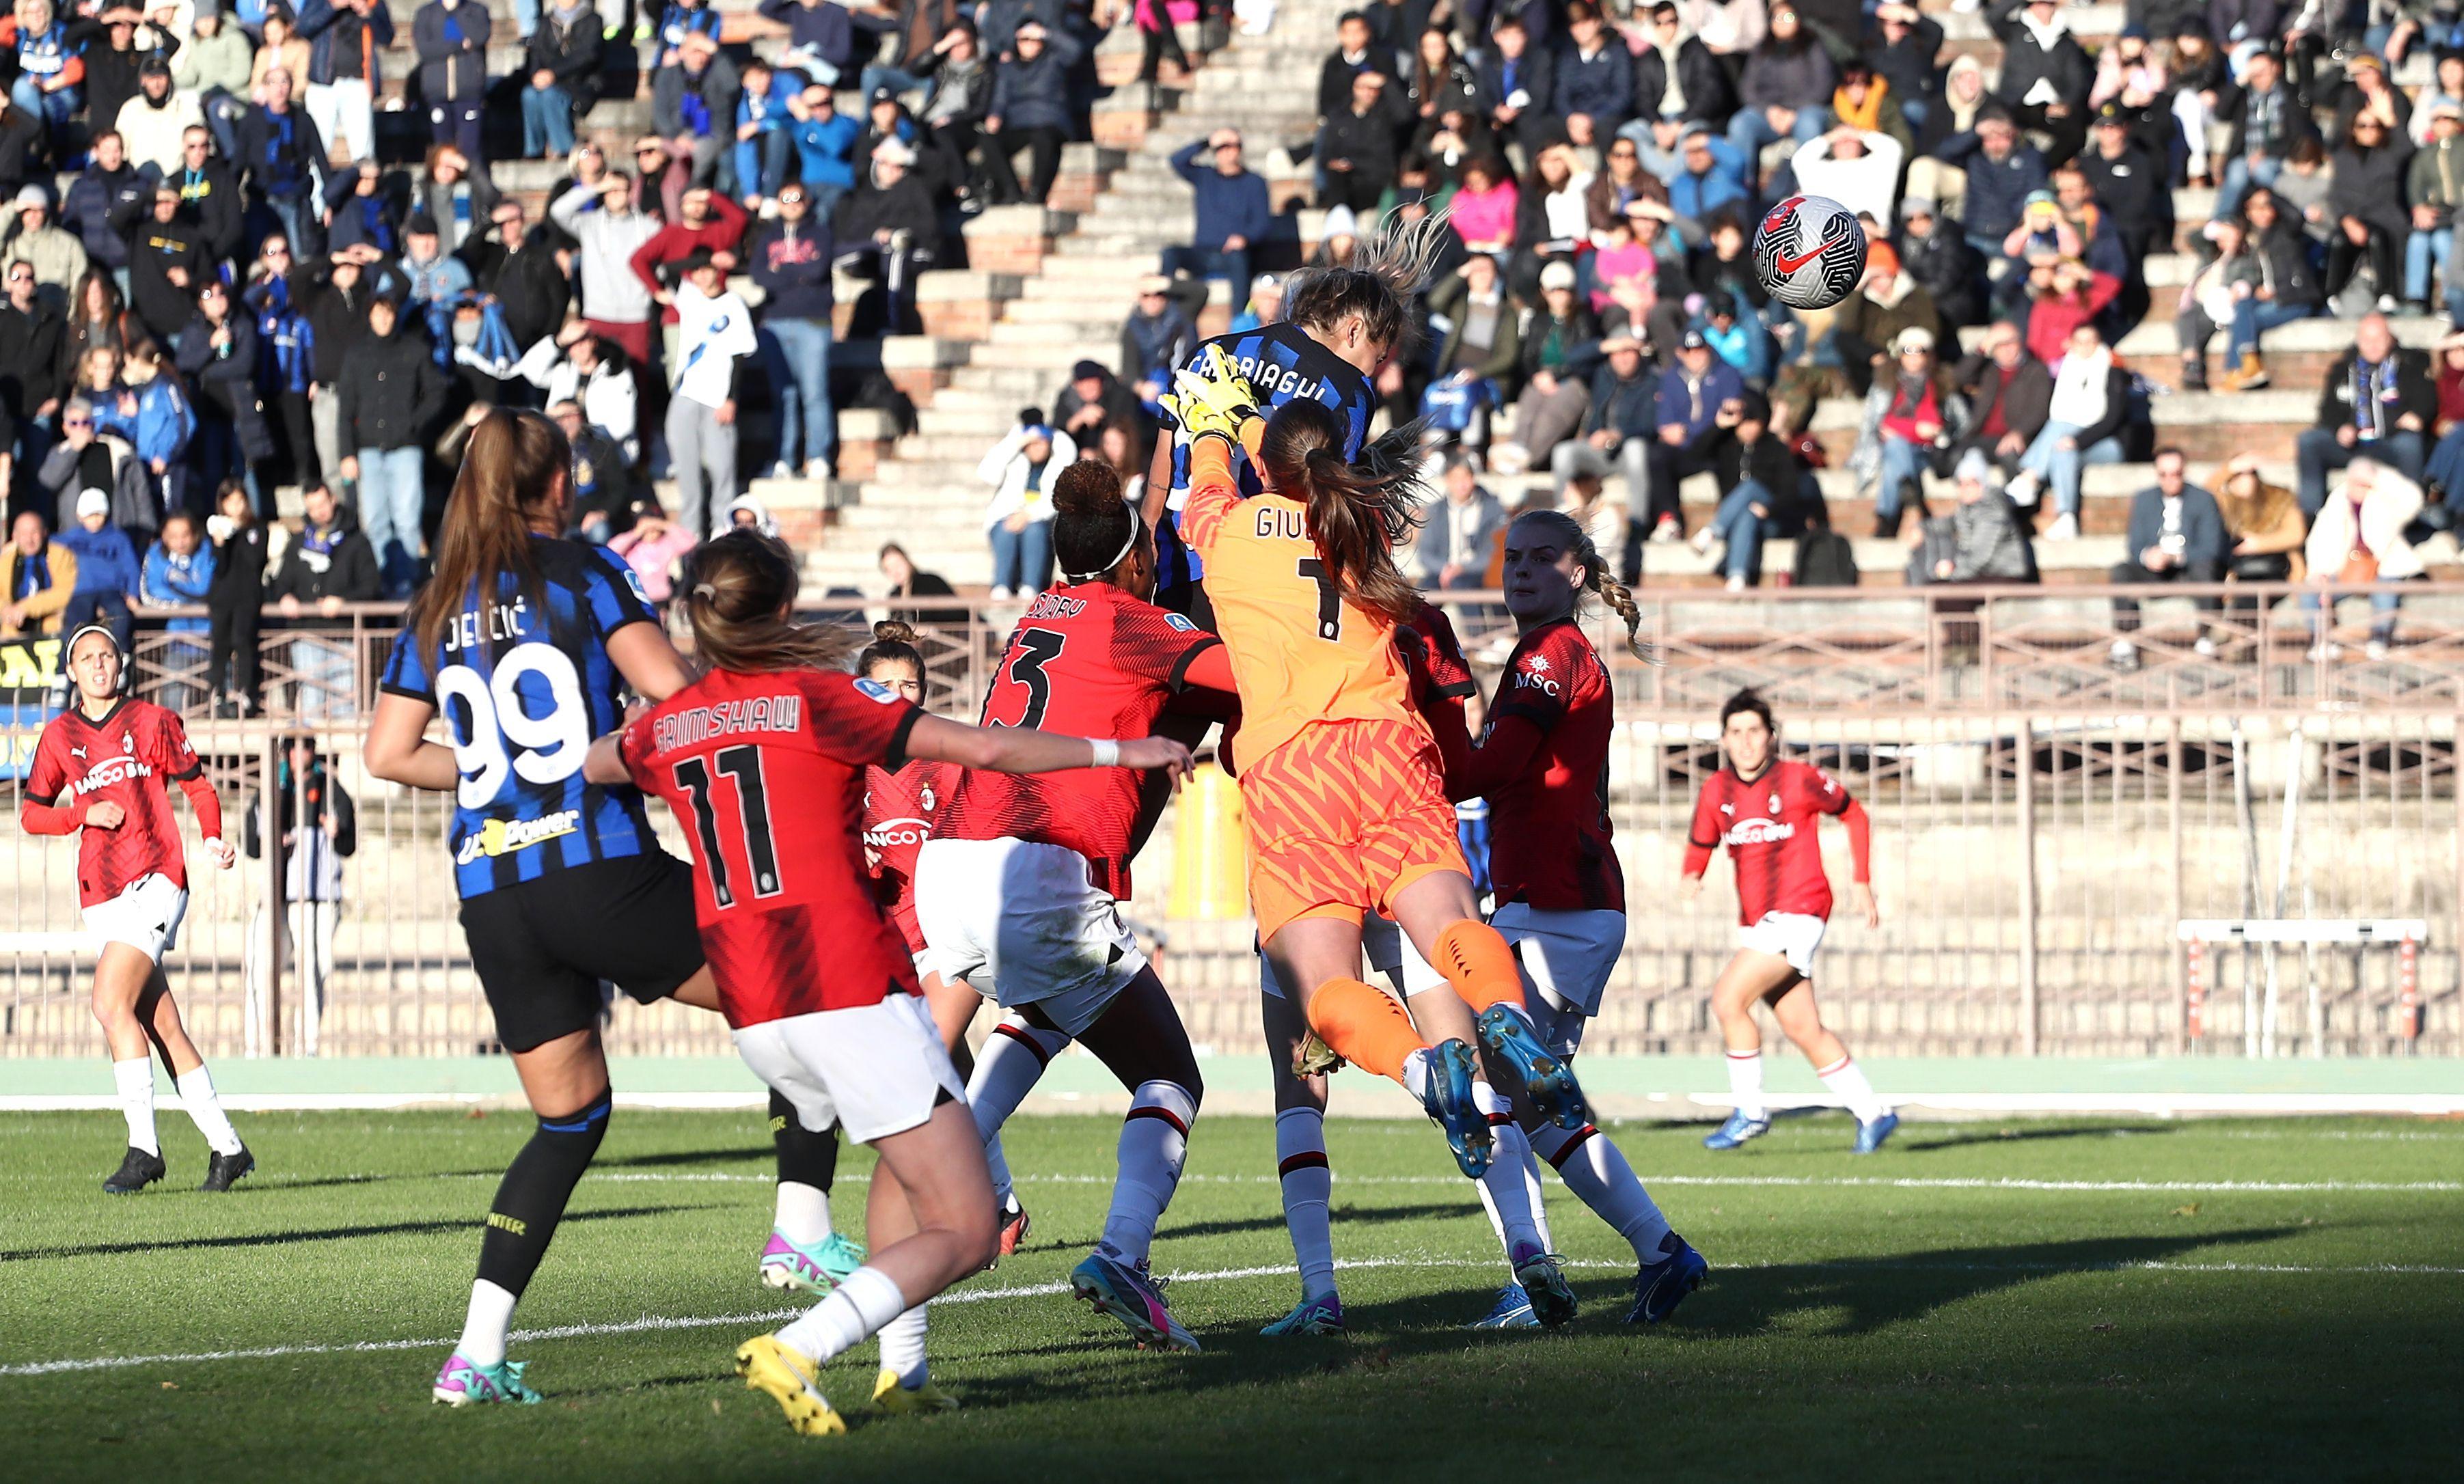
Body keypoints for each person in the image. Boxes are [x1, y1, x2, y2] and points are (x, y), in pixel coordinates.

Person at [584, 527, 1190, 1430]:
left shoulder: (664, 726)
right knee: (972, 1226)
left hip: (753, 1010)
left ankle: (901, 1371)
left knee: (910, 1167)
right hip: (845, 986)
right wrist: (1119, 755)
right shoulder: (818, 699)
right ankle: (800, 1345)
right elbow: (988, 749)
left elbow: (590, 769)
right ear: (785, 608)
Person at [366, 412, 859, 1408]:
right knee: (804, 998)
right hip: (598, 871)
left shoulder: (437, 600)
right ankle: (802, 1230)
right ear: (553, 486)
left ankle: (474, 1355)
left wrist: (497, 780)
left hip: (493, 896)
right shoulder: (582, 572)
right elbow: (676, 694)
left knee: (569, 1121)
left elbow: (385, 753)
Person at [1162, 346, 1596, 1325]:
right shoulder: (1363, 537)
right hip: (1389, 755)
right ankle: (1512, 1032)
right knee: (1447, 923)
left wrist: (1214, 423)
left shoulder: (1227, 531)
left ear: (1268, 467)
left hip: (1293, 772)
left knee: (1324, 1000)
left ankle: (1413, 1073)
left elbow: (1202, 486)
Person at [914, 462, 1235, 1347]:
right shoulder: (1142, 624)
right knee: (1170, 1075)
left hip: (950, 870)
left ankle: (969, 1149)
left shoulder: (1036, 613)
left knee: (1051, 1009)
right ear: (1136, 564)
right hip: (1036, 877)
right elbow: (1245, 674)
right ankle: (1123, 1255)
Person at [1425, 507, 1705, 1325]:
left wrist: (1422, 739)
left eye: (1542, 559)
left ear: (1577, 573)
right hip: (1558, 901)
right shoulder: (1547, 650)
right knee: (1532, 1107)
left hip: (1558, 905)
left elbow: (1493, 766)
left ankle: (1531, 1271)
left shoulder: (1552, 652)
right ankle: (1660, 1252)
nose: (1521, 571)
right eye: (1514, 558)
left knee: (1475, 1081)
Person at [21, 620, 249, 1192]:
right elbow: (31, 814)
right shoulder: (58, 736)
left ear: (120, 664)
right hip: (100, 894)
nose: (99, 665)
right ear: (72, 671)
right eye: (88, 658)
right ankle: (228, 1147)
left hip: (155, 878)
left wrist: (214, 835)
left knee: (107, 1002)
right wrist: (80, 814)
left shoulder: (153, 721)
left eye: (107, 655)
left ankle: (143, 1149)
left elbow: (198, 785)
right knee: (160, 1022)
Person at [1684, 689, 1893, 1153]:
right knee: (1803, 1027)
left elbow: (1854, 813)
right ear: (1723, 739)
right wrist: (1691, 875)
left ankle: (1751, 1111)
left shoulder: (1799, 780)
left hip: (1800, 910)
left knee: (1727, 1000)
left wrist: (1861, 881)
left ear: (1772, 737)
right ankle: (1873, 1112)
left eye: (1754, 731)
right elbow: (1702, 842)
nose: (1745, 742)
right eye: (1736, 732)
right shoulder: (1716, 790)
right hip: (1759, 921)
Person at [241, 734, 355, 1056]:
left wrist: (337, 831)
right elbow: (251, 845)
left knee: (312, 972)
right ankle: (258, 1048)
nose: (295, 753)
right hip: (274, 897)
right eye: (289, 746)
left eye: (303, 746)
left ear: (313, 751)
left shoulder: (331, 789)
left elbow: (348, 845)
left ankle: (307, 1049)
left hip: (317, 898)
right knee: (260, 969)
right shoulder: (271, 791)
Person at [334, 292, 447, 596]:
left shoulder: (414, 350)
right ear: (369, 316)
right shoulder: (356, 354)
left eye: (388, 313)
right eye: (378, 313)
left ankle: (408, 588)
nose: (383, 319)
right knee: (374, 523)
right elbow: (346, 409)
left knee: (408, 521)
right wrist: (346, 453)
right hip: (368, 451)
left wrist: (414, 422)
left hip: (405, 449)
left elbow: (437, 392)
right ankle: (380, 586)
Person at [2296, 312, 2434, 516]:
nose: (2373, 345)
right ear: (2358, 341)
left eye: (2378, 339)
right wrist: (2340, 428)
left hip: (2390, 442)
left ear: (2389, 339)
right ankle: (2311, 513)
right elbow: (2328, 409)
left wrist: (2417, 415)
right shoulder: (2342, 369)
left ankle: (2412, 512)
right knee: (2309, 441)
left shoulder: (2409, 365)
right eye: (2367, 339)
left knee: (2410, 443)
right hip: (2353, 445)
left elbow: (2428, 398)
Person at [2006, 321, 2129, 542]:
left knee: (2061, 432)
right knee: (2062, 450)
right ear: (2072, 344)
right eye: (2080, 342)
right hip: (2069, 443)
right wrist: (2071, 443)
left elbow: (2111, 420)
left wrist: (2078, 441)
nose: (2085, 347)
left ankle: (2030, 476)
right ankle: (2067, 517)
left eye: (2091, 341)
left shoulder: (2112, 371)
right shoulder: (2066, 369)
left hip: (2106, 444)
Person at [2108, 448, 2229, 670]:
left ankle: (2205, 637)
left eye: (2176, 474)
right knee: (2121, 571)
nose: (2171, 480)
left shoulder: (2203, 499)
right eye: (2164, 474)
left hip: (2189, 570)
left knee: (2206, 568)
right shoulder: (2144, 499)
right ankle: (2126, 641)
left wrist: (2175, 557)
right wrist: (2148, 556)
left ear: (2184, 472)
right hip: (2154, 571)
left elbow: (2211, 548)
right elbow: (2135, 546)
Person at [665, 249, 756, 539]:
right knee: (685, 462)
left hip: (717, 394)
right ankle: (690, 530)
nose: (703, 276)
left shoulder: (733, 304)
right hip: (687, 389)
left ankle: (721, 526)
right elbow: (666, 269)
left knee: (721, 464)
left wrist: (731, 397)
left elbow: (740, 354)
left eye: (708, 270)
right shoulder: (689, 295)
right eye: (698, 271)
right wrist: (700, 260)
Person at [266, 480, 378, 717]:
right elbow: (281, 582)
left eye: (322, 504)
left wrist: (343, 601)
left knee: (345, 707)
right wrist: (285, 597)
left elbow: (372, 587)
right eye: (312, 507)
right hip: (306, 634)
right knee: (311, 707)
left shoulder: (357, 542)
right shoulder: (297, 542)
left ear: (333, 500)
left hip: (345, 635)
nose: (319, 511)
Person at [749, 182, 834, 482]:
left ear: (808, 201)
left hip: (813, 323)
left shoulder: (821, 233)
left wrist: (781, 273)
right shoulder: (767, 237)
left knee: (815, 393)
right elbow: (758, 275)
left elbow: (817, 270)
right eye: (786, 198)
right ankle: (784, 458)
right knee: (783, 395)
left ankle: (818, 456)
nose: (792, 203)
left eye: (798, 198)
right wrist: (796, 274)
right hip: (775, 323)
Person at [2303, 457, 2423, 661]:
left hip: (2383, 567)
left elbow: (2413, 500)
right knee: (2310, 593)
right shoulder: (2338, 500)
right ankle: (2322, 642)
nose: (2359, 487)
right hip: (2344, 568)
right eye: (2355, 482)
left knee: (2386, 592)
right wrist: (2319, 572)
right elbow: (2320, 539)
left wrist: (2379, 479)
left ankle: (2380, 640)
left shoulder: (2384, 498)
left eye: (2363, 483)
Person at [1906, 447, 2037, 586]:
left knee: (1940, 594)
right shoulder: (1969, 509)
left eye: (1970, 484)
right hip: (1985, 575)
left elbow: (1980, 558)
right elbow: (1951, 523)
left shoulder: (1992, 511)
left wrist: (1952, 575)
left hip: (2005, 576)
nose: (1964, 489)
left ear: (1982, 484)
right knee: (1935, 588)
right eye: (1960, 484)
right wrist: (1921, 528)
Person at [1165, 128, 1270, 297]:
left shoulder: (1255, 182)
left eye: (1233, 146)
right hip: (1202, 253)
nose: (1227, 151)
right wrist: (1207, 141)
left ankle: (1238, 319)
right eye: (1221, 147)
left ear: (1240, 149)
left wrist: (1244, 238)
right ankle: (1164, 309)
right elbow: (1176, 161)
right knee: (1170, 254)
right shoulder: (1204, 176)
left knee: (1238, 260)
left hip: (1232, 255)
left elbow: (1262, 223)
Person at [978, 417, 1072, 599]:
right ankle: (1001, 584)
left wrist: (1027, 515)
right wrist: (1017, 441)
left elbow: (1053, 500)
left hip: (1040, 522)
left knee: (1034, 531)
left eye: (1041, 443)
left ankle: (1031, 586)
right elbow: (987, 473)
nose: (1038, 448)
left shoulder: (1057, 462)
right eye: (1032, 444)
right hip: (1007, 519)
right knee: (1005, 531)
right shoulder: (1014, 461)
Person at [297, 0, 393, 165]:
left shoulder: (372, 2)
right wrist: (332, 7)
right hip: (322, 83)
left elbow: (387, 37)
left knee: (363, 153)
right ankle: (315, 191)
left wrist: (368, 14)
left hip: (359, 83)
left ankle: (363, 190)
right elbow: (303, 28)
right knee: (317, 149)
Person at [139, 508, 214, 709]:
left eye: (185, 536)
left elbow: (206, 588)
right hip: (178, 641)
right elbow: (150, 593)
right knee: (173, 703)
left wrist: (176, 589)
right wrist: (183, 601)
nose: (180, 542)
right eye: (173, 537)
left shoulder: (209, 550)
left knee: (222, 704)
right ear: (164, 536)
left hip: (212, 638)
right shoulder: (155, 555)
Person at [57, 486, 143, 653]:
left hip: (111, 590)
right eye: (90, 515)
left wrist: (133, 593)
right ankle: (66, 665)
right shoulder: (71, 538)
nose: (95, 520)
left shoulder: (118, 538)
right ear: (80, 516)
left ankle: (121, 656)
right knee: (74, 625)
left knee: (120, 617)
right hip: (80, 591)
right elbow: (49, 547)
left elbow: (131, 566)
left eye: (99, 514)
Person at [203, 480, 264, 715]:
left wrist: (238, 533)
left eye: (239, 501)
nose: (235, 507)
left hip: (247, 596)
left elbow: (255, 561)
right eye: (230, 503)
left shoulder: (257, 529)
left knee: (242, 640)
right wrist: (220, 544)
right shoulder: (217, 529)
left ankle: (246, 693)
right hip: (222, 597)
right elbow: (219, 568)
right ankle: (217, 692)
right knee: (220, 644)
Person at [521, 0, 603, 160]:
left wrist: (554, 73)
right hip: (548, 81)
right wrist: (537, 75)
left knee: (550, 95)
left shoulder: (592, 20)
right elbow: (536, 54)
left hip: (580, 83)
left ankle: (565, 148)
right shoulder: (546, 22)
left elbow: (589, 55)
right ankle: (534, 149)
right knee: (529, 94)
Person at [1415, 452, 1506, 592]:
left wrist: (1463, 568)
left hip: (1478, 571)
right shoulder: (1436, 510)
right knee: (1422, 595)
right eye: (1455, 479)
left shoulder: (1492, 508)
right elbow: (1425, 553)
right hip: (1443, 570)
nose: (1461, 485)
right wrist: (1446, 569)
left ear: (1473, 478)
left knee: (1463, 586)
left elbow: (1494, 551)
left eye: (1465, 478)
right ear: (1447, 480)